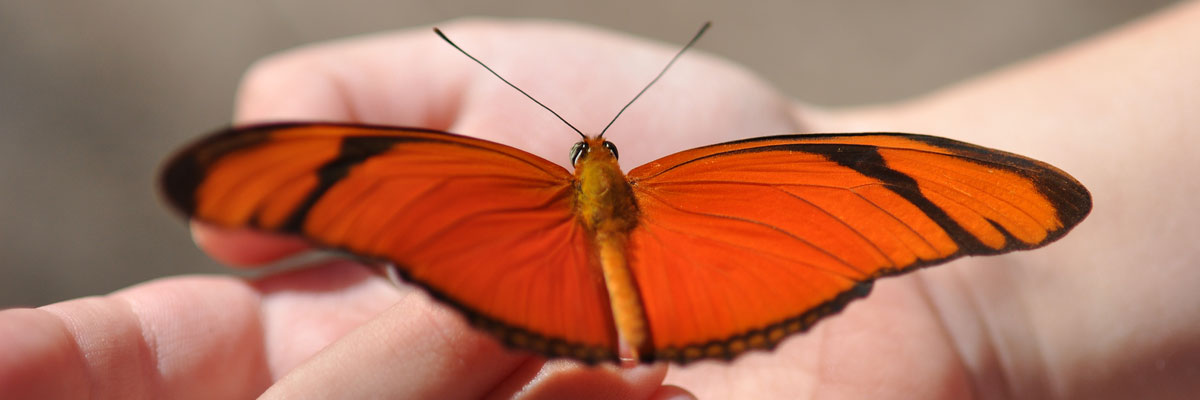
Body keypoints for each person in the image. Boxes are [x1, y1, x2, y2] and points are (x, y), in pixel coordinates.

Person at [4, 2, 1199, 398]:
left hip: (530, 287)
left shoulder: (529, 182)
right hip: (714, 266)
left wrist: (1000, 319)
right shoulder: (699, 177)